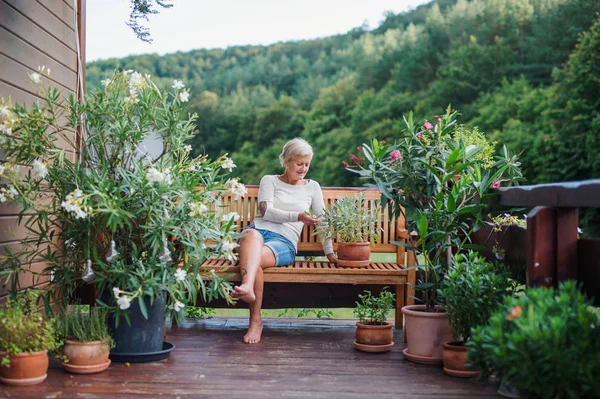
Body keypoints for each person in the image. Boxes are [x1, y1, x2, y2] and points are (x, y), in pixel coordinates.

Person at [231, 137, 337, 344]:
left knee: (254, 262)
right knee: (251, 236)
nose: (303, 168)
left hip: (283, 242)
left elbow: (321, 221)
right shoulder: (269, 180)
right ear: (286, 161)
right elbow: (266, 212)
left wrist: (329, 252)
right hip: (257, 233)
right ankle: (251, 302)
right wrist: (297, 215)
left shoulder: (312, 187)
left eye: (307, 164)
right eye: (299, 163)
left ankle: (251, 305)